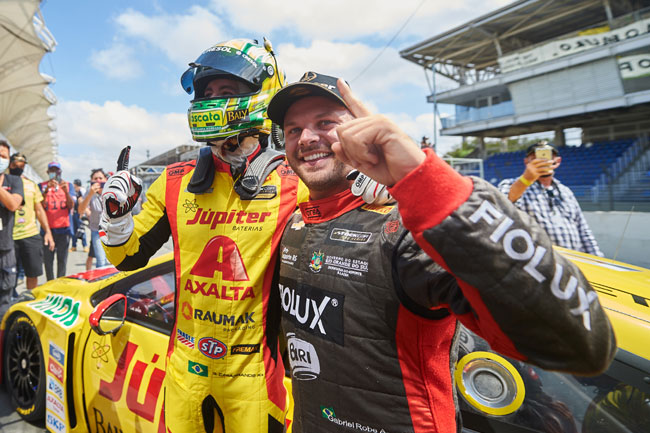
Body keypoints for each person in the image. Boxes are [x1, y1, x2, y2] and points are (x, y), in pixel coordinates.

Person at [265, 72, 617, 432]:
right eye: (293, 130)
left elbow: (576, 342)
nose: (306, 138)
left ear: (360, 131)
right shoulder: (293, 224)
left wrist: (420, 179)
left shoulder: (403, 229)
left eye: (325, 123)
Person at [497, 141, 603, 256]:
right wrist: (526, 179)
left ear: (557, 161)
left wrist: (598, 259)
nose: (541, 161)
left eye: (546, 156)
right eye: (534, 158)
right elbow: (502, 205)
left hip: (574, 263)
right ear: (526, 162)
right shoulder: (511, 184)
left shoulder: (566, 191)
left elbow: (583, 230)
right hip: (538, 264)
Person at [9, 153, 54, 290]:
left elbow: (39, 210)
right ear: (9, 164)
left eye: (22, 165)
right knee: (9, 275)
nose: (18, 167)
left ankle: (28, 300)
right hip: (8, 236)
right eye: (15, 164)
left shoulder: (31, 185)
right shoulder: (4, 183)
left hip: (30, 234)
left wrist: (47, 232)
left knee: (32, 273)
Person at [39, 161, 74, 280]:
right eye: (52, 171)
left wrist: (66, 192)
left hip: (63, 229)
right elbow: (39, 206)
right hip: (47, 231)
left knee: (62, 260)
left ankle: (60, 283)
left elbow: (71, 205)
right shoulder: (42, 186)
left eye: (57, 170)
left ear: (60, 172)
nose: (54, 173)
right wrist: (46, 191)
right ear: (47, 172)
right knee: (48, 262)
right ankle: (50, 283)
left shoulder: (68, 185)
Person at [0, 141, 24, 305]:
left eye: (2, 156)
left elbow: (13, 204)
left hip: (5, 248)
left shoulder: (14, 181)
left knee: (4, 295)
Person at [78, 168, 108, 269]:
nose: (98, 180)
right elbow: (81, 210)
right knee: (101, 260)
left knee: (113, 260)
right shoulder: (89, 192)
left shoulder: (111, 191)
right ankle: (103, 282)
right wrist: (90, 194)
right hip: (97, 230)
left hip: (112, 231)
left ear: (105, 179)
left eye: (100, 178)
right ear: (91, 181)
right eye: (95, 178)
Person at [70, 178, 88, 252]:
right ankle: (74, 246)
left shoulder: (82, 191)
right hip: (74, 214)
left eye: (75, 186)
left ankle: (85, 246)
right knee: (74, 231)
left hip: (80, 214)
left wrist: (83, 213)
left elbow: (84, 203)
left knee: (81, 230)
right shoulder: (74, 192)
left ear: (78, 185)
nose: (74, 188)